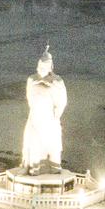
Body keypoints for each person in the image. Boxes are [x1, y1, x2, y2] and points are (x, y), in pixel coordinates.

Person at [22, 46, 67, 174]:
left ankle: (54, 168)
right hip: (35, 116)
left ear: (50, 67)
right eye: (41, 66)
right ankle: (34, 168)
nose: (42, 68)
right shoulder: (32, 79)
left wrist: (58, 111)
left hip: (49, 118)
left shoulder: (57, 81)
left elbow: (62, 99)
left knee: (53, 144)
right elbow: (30, 96)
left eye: (45, 66)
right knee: (34, 142)